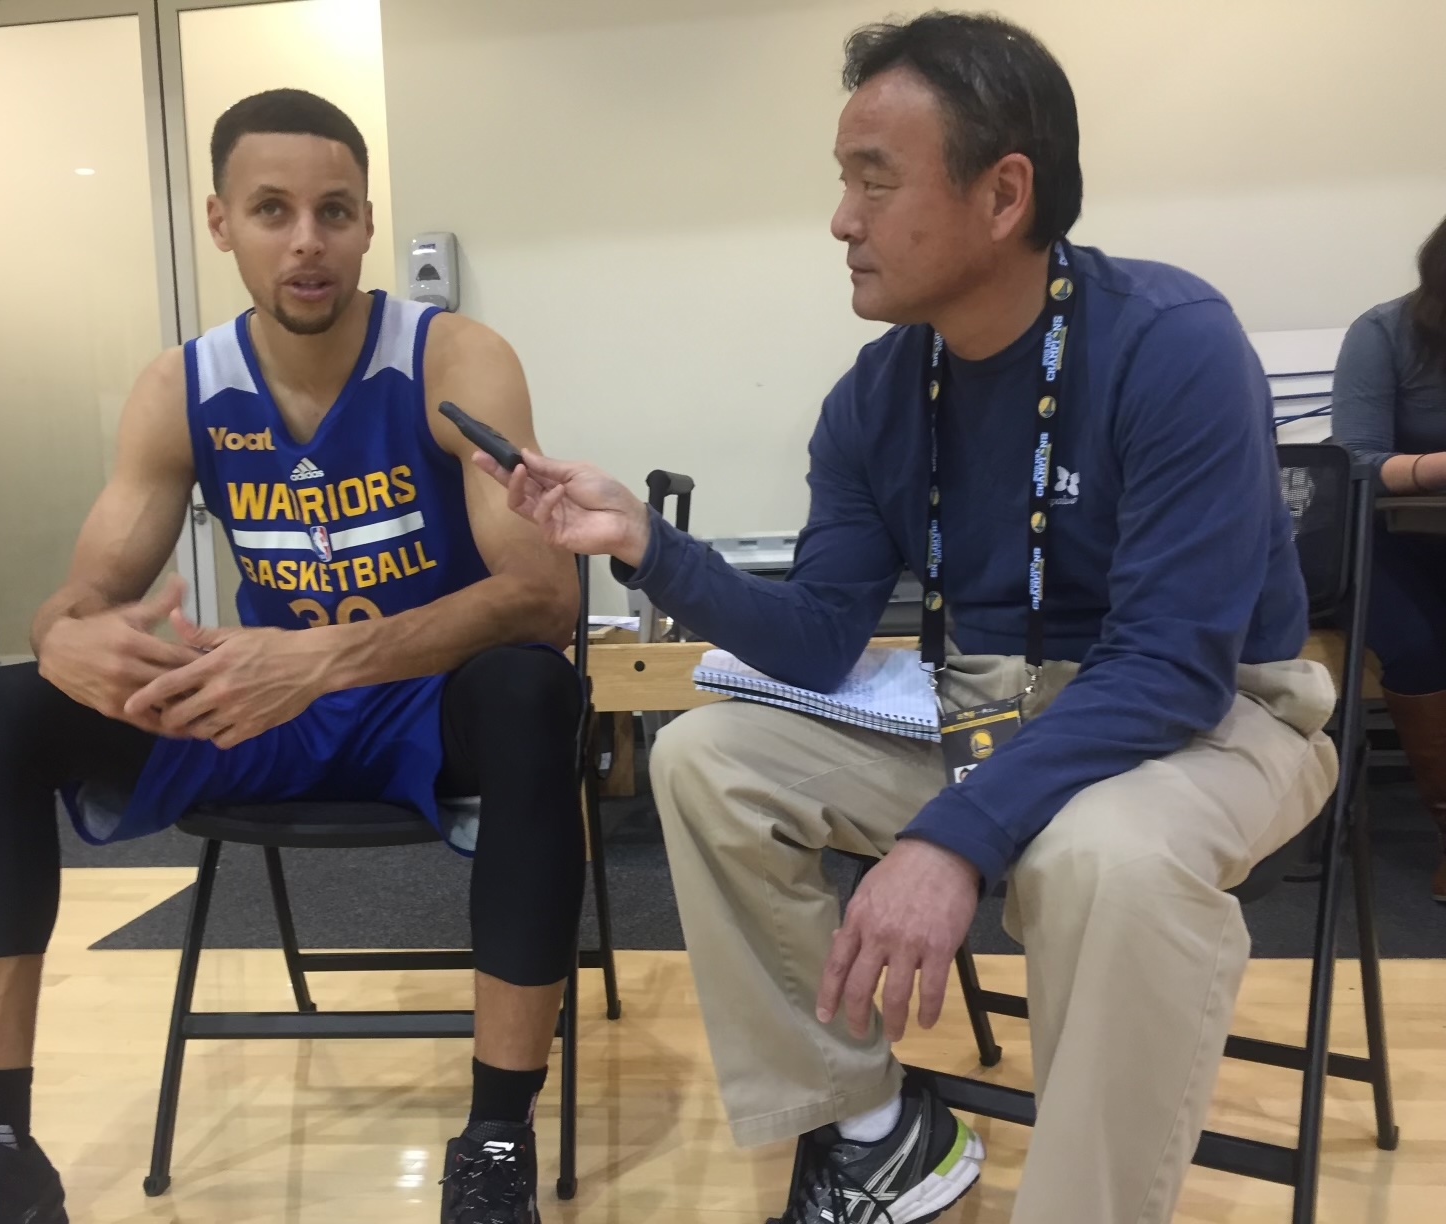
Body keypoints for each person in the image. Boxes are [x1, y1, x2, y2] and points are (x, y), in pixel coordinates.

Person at [479, 14, 1338, 1224]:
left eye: (872, 180)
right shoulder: (878, 394)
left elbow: (1168, 671)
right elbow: (824, 634)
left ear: (1004, 194)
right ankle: (875, 1133)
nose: (840, 219)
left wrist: (951, 837)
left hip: (1209, 718)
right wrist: (648, 548)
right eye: (843, 181)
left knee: (1111, 857)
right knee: (707, 761)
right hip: (985, 705)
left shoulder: (1171, 344)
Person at [0, 89, 582, 1224]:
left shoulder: (453, 358)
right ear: (222, 224)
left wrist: (329, 660)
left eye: (335, 212)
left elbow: (544, 595)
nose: (308, 240)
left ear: (363, 224)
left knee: (536, 692)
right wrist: (67, 637)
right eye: (273, 210)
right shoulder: (182, 386)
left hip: (419, 705)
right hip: (256, 707)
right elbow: (85, 591)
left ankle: (494, 1142)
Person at [1331, 212, 1446, 904]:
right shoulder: (1384, 335)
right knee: (1421, 646)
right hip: (1393, 540)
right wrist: (1437, 467)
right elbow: (1355, 461)